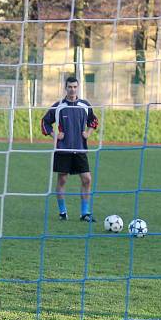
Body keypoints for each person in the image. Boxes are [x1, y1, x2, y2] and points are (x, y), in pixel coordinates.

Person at [41, 76, 99, 222]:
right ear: (65, 88)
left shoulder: (85, 105)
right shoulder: (59, 106)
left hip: (80, 149)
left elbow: (94, 120)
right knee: (62, 180)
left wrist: (88, 133)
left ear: (77, 87)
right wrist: (55, 136)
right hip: (63, 150)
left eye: (74, 87)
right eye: (69, 87)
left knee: (87, 179)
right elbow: (44, 122)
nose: (72, 89)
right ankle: (63, 213)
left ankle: (85, 213)